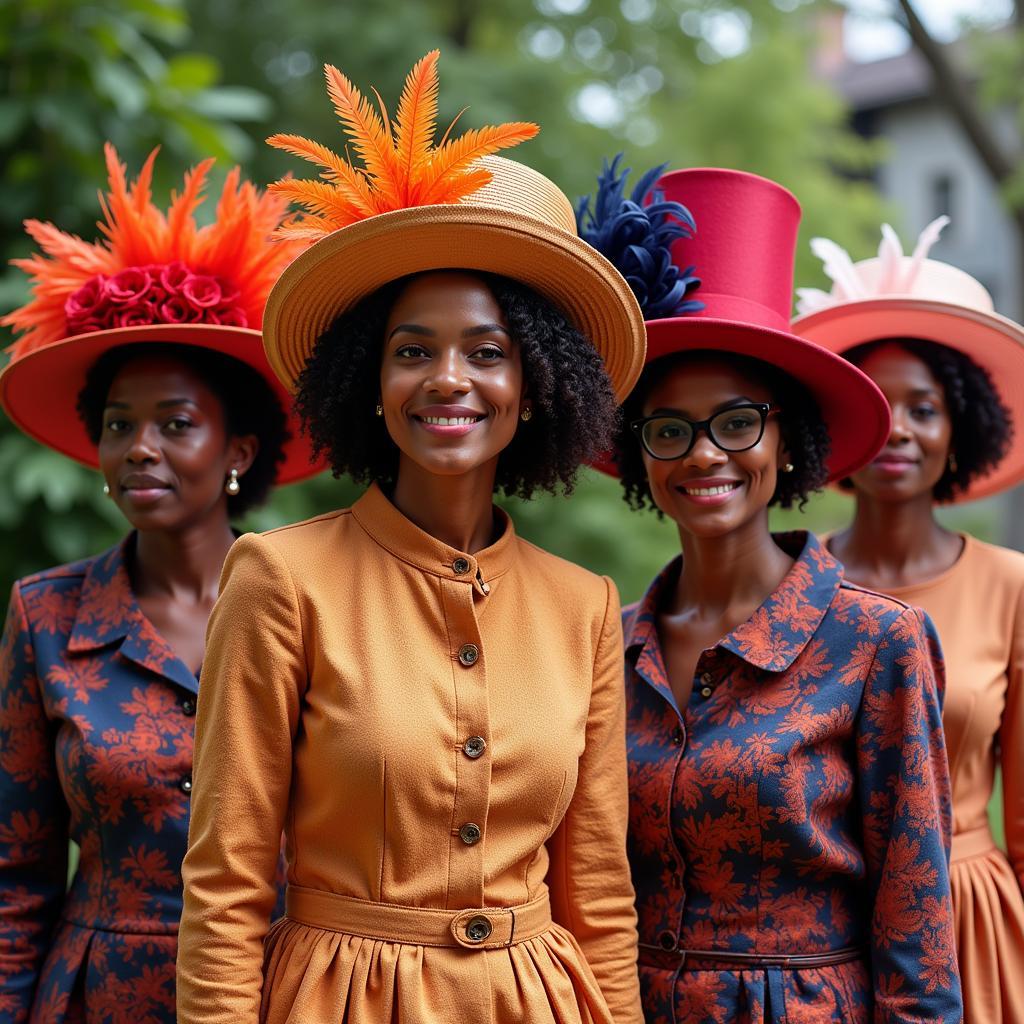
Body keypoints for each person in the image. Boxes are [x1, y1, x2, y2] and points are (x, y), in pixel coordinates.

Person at [175, 51, 648, 1024]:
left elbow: (596, 891)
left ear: (536, 387)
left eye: (487, 352)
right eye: (410, 350)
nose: (448, 379)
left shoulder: (584, 604)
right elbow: (223, 884)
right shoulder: (277, 577)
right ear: (367, 382)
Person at [584, 164, 963, 1023]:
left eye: (739, 421)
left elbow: (918, 922)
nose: (705, 453)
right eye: (671, 428)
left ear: (787, 441)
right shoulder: (606, 639)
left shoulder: (877, 641)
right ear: (642, 454)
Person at [0, 144, 320, 1022]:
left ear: (239, 452)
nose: (141, 447)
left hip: (285, 992)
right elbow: (14, 874)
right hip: (99, 998)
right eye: (119, 424)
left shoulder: (317, 603)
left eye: (175, 423)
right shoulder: (46, 615)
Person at [794, 217, 1024, 1023]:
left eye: (923, 407)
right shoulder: (788, 583)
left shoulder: (1013, 587)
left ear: (960, 425)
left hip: (968, 923)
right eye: (877, 405)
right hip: (813, 933)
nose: (897, 428)